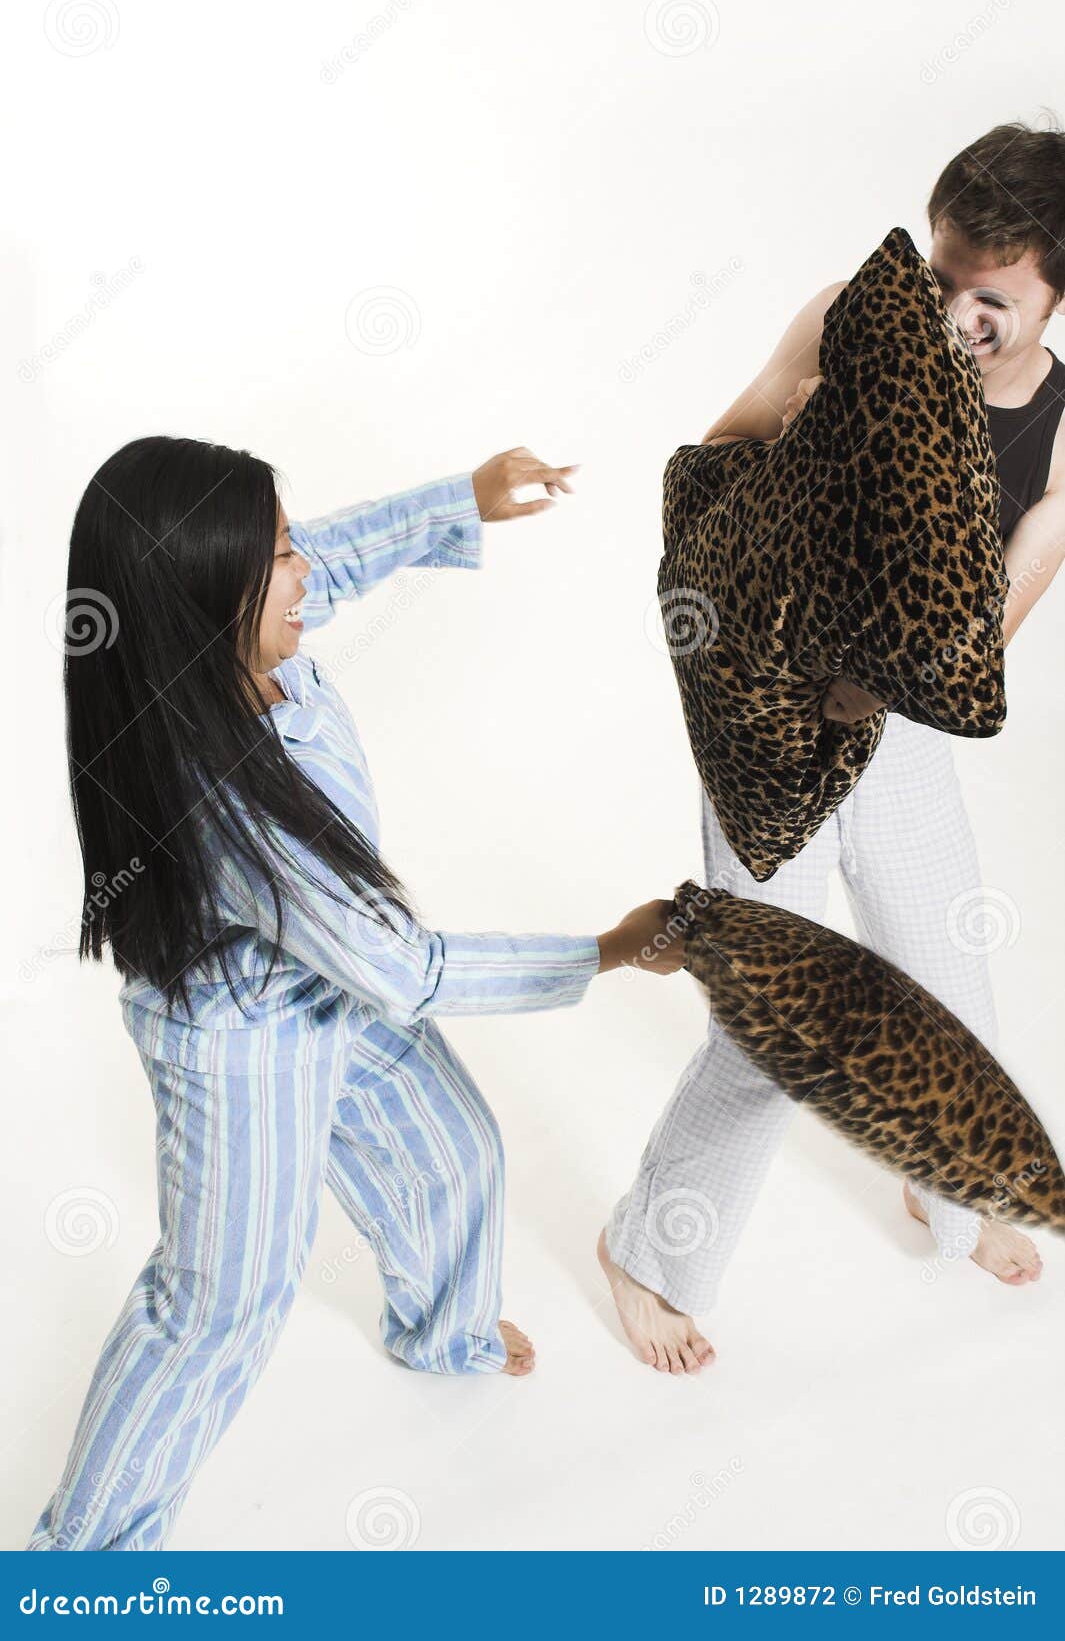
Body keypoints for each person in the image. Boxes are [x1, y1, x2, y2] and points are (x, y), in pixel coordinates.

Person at [29, 438, 686, 1548]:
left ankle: (444, 1334)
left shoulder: (237, 637)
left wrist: (457, 503)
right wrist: (607, 950)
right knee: (218, 1307)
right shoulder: (233, 807)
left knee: (457, 1151)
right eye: (279, 555)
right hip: (246, 1044)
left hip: (334, 987)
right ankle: (77, 1568)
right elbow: (409, 969)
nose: (305, 570)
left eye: (285, 542)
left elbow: (330, 559)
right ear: (206, 599)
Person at [600, 118, 1065, 1374]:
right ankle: (650, 1248)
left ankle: (947, 1183)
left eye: (995, 296)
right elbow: (715, 458)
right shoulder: (849, 314)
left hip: (899, 728)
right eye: (943, 269)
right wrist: (801, 434)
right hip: (771, 712)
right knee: (773, 1018)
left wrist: (894, 684)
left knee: (948, 974)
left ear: (1053, 294)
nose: (956, 307)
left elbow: (1002, 611)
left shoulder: (1062, 422)